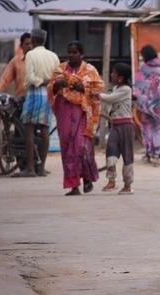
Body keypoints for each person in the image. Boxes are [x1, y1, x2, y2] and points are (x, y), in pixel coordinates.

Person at [47, 41, 104, 196]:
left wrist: (82, 88)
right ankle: (73, 185)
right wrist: (58, 84)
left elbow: (98, 88)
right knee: (67, 147)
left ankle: (87, 178)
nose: (71, 55)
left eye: (74, 52)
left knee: (81, 147)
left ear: (81, 54)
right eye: (69, 52)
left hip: (84, 113)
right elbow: (51, 88)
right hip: (65, 111)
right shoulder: (60, 69)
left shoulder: (90, 70)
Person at [12, 28, 59, 177]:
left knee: (29, 130)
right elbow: (58, 77)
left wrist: (42, 81)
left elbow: (31, 78)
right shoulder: (53, 56)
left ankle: (30, 168)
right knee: (45, 129)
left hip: (35, 93)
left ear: (33, 40)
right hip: (49, 95)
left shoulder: (31, 55)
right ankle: (42, 168)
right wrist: (49, 82)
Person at [100, 63, 135, 195]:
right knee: (111, 150)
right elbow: (109, 105)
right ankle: (111, 180)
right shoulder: (115, 87)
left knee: (127, 155)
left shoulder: (126, 89)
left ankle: (128, 184)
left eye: (114, 73)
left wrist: (97, 95)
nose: (111, 75)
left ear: (120, 78)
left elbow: (110, 99)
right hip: (115, 125)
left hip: (126, 126)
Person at [133, 44, 160, 167]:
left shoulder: (143, 68)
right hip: (159, 102)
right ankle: (157, 153)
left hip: (146, 104)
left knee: (146, 127)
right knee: (157, 127)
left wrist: (137, 98)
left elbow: (138, 86)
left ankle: (149, 152)